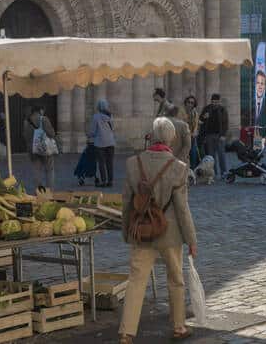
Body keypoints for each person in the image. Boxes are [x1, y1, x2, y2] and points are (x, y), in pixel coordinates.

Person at [118, 117, 197, 344]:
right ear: (172, 139)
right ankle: (179, 326)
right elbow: (182, 209)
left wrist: (126, 231)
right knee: (175, 279)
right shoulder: (178, 168)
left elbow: (126, 201)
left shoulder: (133, 163)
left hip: (141, 231)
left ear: (151, 136)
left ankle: (126, 332)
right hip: (169, 233)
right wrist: (191, 239)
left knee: (136, 280)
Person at [25, 106, 57, 191]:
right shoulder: (44, 119)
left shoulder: (26, 121)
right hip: (45, 149)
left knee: (36, 171)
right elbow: (51, 133)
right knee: (49, 170)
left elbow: (26, 136)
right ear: (40, 110)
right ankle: (50, 190)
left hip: (33, 150)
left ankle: (38, 191)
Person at [198, 93, 229, 180]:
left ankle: (224, 172)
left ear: (219, 101)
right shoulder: (207, 108)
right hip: (209, 135)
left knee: (221, 154)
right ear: (211, 101)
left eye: (216, 102)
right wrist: (204, 117)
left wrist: (223, 135)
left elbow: (225, 123)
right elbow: (200, 120)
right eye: (213, 101)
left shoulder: (222, 110)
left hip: (219, 135)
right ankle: (213, 173)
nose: (214, 103)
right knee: (211, 156)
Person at [88, 99, 116, 187]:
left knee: (101, 163)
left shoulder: (96, 117)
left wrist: (89, 135)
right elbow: (113, 128)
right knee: (110, 162)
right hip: (111, 142)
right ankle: (110, 181)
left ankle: (103, 181)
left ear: (98, 107)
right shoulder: (110, 116)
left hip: (100, 143)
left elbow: (92, 131)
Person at [182, 95, 200, 167]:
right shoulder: (182, 111)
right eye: (188, 102)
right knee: (184, 155)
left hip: (192, 137)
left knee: (193, 154)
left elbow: (196, 124)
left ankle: (193, 171)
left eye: (192, 103)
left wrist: (195, 132)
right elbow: (181, 123)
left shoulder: (195, 113)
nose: (190, 104)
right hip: (183, 137)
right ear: (186, 103)